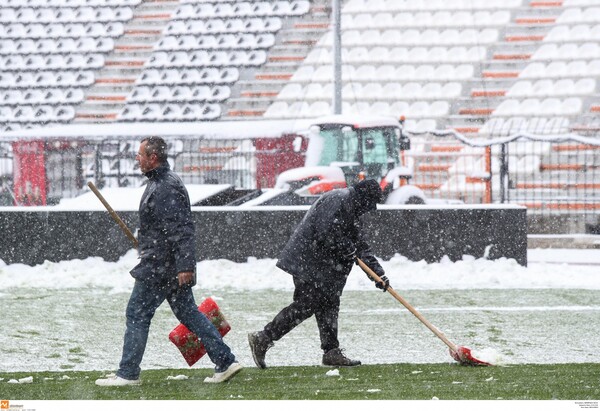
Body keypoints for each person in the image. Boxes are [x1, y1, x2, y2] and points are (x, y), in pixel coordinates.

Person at [96, 136, 242, 386]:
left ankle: (128, 373)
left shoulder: (165, 186)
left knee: (137, 313)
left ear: (153, 158)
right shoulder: (161, 182)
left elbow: (182, 229)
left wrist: (185, 266)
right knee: (189, 313)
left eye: (140, 154)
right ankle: (226, 361)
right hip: (163, 263)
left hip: (161, 267)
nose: (136, 159)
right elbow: (165, 228)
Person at [248, 179, 389, 368]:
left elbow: (360, 247)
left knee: (329, 303)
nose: (371, 208)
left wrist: (378, 275)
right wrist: (344, 246)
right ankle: (263, 338)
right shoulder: (339, 200)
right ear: (363, 197)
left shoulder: (352, 209)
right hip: (308, 263)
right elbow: (326, 231)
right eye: (371, 203)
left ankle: (331, 352)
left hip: (323, 267)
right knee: (308, 304)